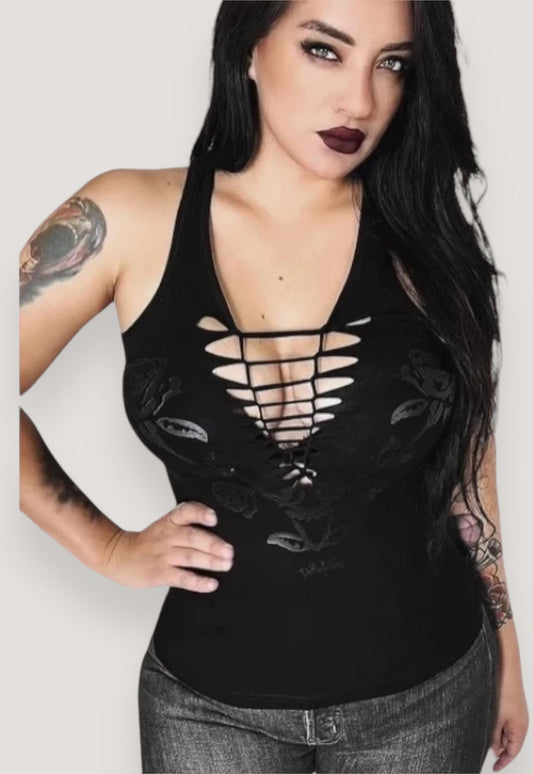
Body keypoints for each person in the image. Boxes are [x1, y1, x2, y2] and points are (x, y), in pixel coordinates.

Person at [19, 1, 528, 772]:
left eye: (392, 64)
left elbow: (466, 461)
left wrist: (507, 649)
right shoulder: (125, 218)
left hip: (426, 694)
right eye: (324, 50)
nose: (358, 100)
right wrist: (106, 547)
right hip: (206, 705)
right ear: (248, 48)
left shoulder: (427, 235)